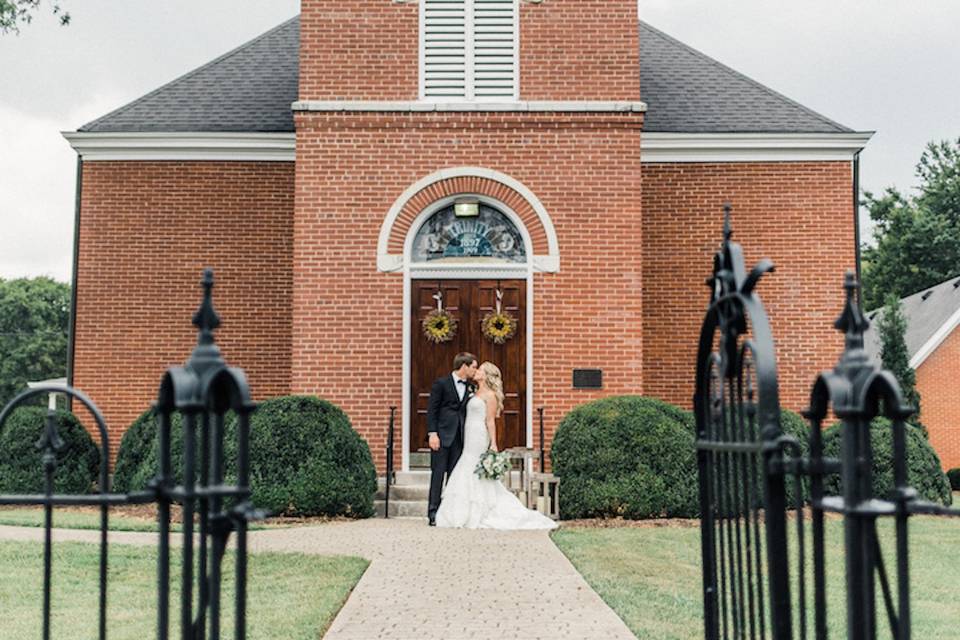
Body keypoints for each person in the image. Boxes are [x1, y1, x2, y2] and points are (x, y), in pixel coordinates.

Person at [435, 361, 557, 530]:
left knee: (473, 466)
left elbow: (490, 421)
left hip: (479, 434)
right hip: (468, 435)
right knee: (466, 464)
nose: (476, 371)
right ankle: (460, 511)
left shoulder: (490, 395)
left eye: (480, 370)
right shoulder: (474, 391)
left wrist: (493, 443)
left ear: (486, 375)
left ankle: (479, 511)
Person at [425, 352, 478, 526]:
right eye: (473, 367)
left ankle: (449, 512)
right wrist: (432, 433)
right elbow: (432, 410)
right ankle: (433, 513)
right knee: (438, 475)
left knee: (455, 477)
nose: (474, 371)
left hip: (460, 438)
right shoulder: (441, 384)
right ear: (464, 366)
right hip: (441, 437)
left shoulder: (471, 387)